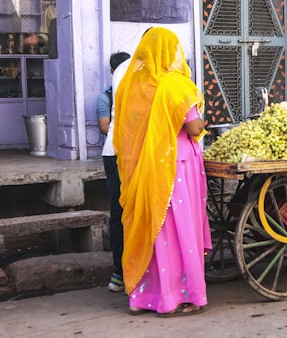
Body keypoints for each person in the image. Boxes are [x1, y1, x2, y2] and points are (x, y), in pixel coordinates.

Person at [113, 27, 211, 317]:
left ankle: (142, 298)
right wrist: (204, 122)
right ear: (170, 52)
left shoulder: (132, 86)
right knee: (179, 228)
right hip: (175, 166)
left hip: (143, 168)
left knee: (151, 229)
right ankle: (181, 297)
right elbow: (193, 127)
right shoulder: (175, 85)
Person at [95, 51, 131, 292]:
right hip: (126, 151)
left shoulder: (122, 73)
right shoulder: (141, 71)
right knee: (126, 211)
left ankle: (120, 273)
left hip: (115, 150)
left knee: (119, 211)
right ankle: (122, 271)